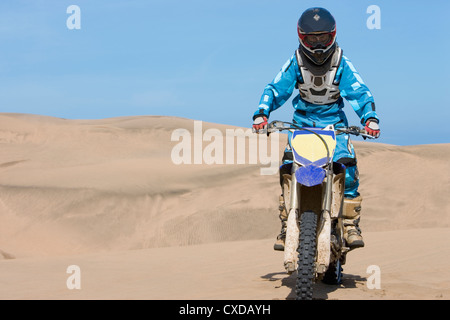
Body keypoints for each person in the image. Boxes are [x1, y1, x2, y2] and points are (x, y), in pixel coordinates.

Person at [252, 7, 380, 251]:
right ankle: (285, 222)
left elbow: (360, 92)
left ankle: (351, 223)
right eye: (313, 38)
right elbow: (275, 88)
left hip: (335, 126)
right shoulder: (296, 62)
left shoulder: (341, 62)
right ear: (302, 37)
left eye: (323, 37)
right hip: (302, 124)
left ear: (332, 35)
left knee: (347, 165)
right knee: (289, 168)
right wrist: (262, 113)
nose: (318, 43)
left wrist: (370, 119)